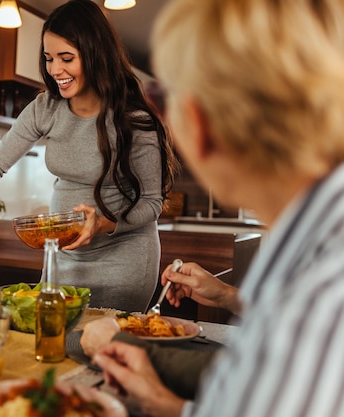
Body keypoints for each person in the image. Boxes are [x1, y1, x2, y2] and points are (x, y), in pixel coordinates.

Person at [83, 0, 344, 416]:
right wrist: (223, 294)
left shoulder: (319, 293)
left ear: (197, 123)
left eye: (161, 98)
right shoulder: (317, 238)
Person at [0, 0, 178, 312]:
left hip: (123, 258)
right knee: (56, 343)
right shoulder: (46, 108)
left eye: (66, 58)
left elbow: (151, 202)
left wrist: (102, 224)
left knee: (106, 351)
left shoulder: (133, 118)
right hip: (63, 258)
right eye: (49, 58)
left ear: (95, 55)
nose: (55, 70)